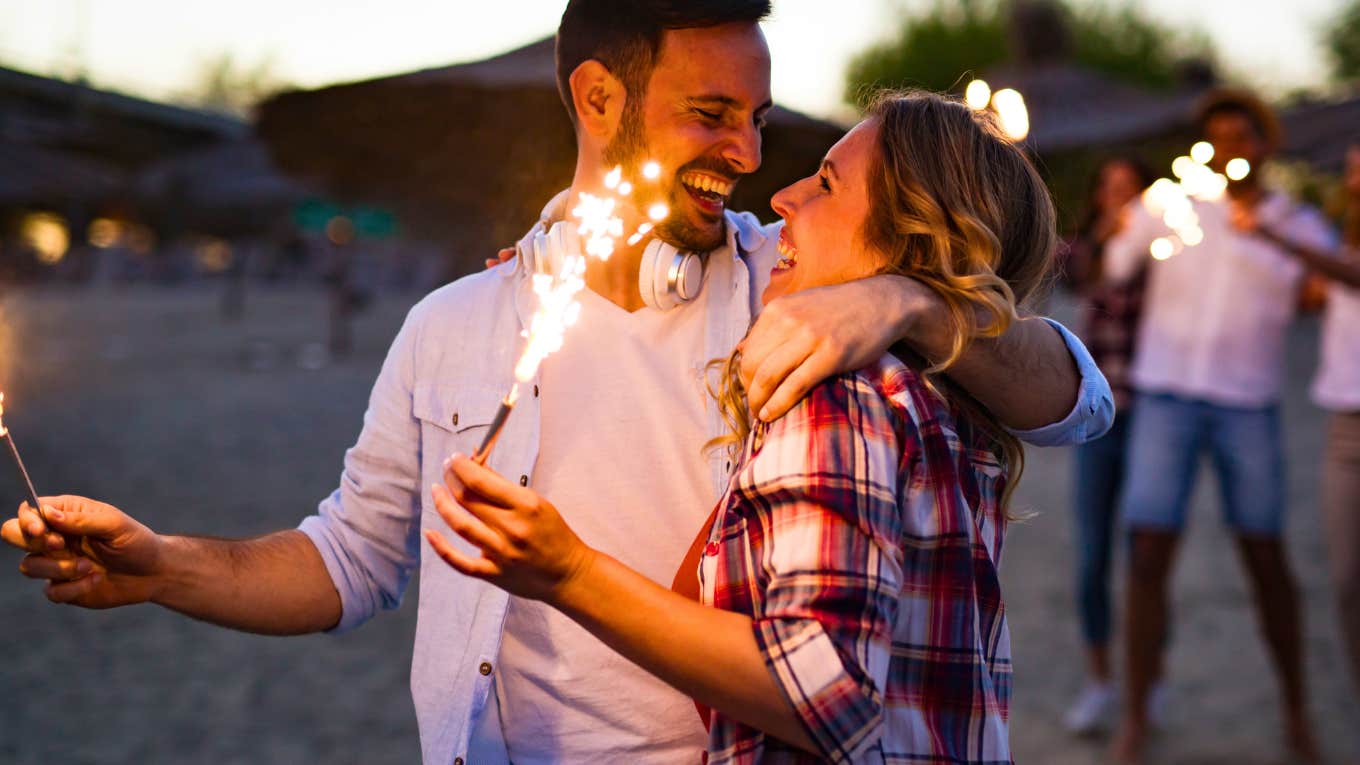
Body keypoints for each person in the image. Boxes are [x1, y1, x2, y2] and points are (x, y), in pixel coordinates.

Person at [2, 3, 1112, 763]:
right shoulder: (451, 324)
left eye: (759, 121)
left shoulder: (794, 289)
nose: (747, 155)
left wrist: (908, 302)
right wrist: (164, 566)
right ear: (597, 99)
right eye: (711, 115)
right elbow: (346, 560)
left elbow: (1079, 400)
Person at [426, 89, 1050, 764]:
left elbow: (824, 694)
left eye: (826, 184)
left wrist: (568, 572)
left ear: (911, 235)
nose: (783, 196)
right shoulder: (948, 397)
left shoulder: (839, 394)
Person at [1103, 89, 1335, 764]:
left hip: (1246, 402)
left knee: (1266, 556)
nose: (1232, 146)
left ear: (1266, 145)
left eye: (1245, 134)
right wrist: (1120, 221)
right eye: (1220, 135)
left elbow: (1325, 292)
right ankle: (1136, 717)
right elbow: (1114, 265)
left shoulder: (1296, 223)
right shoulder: (1172, 203)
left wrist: (1268, 233)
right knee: (1148, 555)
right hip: (1167, 394)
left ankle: (1296, 710)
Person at [1234, 143, 1360, 750]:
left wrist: (1273, 238)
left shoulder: (1321, 243)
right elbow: (1316, 297)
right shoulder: (1337, 237)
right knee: (1346, 580)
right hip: (1343, 426)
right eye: (1354, 162)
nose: (1354, 171)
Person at [1059, 156, 1160, 735]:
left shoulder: (1164, 248)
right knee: (1094, 553)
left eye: (1129, 189)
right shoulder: (1089, 248)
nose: (1117, 198)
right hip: (1101, 418)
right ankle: (1100, 680)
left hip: (1151, 412)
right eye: (1109, 187)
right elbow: (1066, 271)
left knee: (1146, 555)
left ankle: (1152, 676)